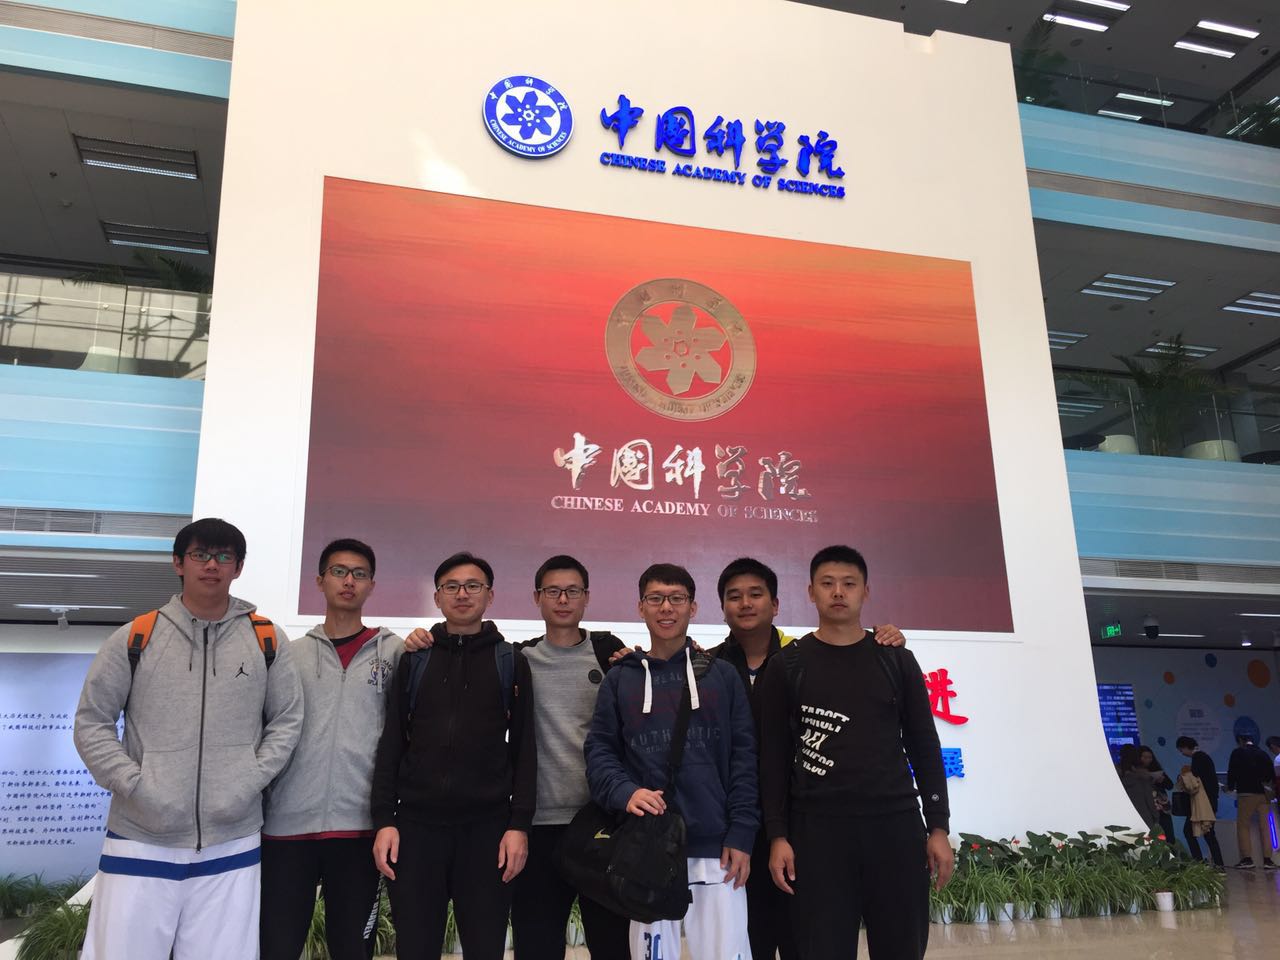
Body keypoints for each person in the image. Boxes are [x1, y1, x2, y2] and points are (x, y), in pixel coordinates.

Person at [74, 518, 304, 959]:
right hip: (141, 836)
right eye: (200, 555)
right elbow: (92, 722)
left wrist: (248, 780)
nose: (211, 565)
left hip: (232, 838)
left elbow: (287, 720)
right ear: (178, 563)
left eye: (224, 557)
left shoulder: (266, 639)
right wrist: (135, 785)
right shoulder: (136, 637)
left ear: (238, 567)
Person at [404, 555, 631, 960]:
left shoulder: (610, 656)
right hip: (536, 828)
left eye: (572, 591)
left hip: (599, 825)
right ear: (537, 598)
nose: (563, 599)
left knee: (611, 946)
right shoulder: (517, 659)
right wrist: (423, 638)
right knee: (535, 947)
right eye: (552, 591)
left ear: (587, 597)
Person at [757, 545, 951, 960]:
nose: (838, 592)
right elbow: (773, 760)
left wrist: (938, 826)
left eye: (849, 583)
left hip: (895, 827)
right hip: (817, 832)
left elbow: (924, 745)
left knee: (902, 948)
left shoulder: (896, 660)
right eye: (827, 583)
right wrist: (778, 835)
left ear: (866, 591)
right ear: (811, 592)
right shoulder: (787, 666)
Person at [706, 557, 905, 960]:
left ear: (776, 604)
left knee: (807, 938)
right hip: (733, 828)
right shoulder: (706, 668)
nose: (745, 603)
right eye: (734, 596)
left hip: (799, 827)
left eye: (756, 594)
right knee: (748, 940)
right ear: (722, 607)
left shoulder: (800, 660)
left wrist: (886, 637)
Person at [585, 563, 758, 960]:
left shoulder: (723, 677)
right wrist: (625, 791)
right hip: (646, 848)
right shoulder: (620, 679)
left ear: (692, 607)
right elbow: (600, 751)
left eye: (677, 599)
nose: (666, 608)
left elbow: (744, 758)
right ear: (640, 607)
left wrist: (742, 832)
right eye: (656, 599)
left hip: (717, 851)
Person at [371, 552, 536, 959]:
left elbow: (524, 748)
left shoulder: (510, 661)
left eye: (473, 586)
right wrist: (385, 820)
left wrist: (519, 825)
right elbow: (392, 742)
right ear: (438, 597)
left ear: (489, 595)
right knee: (415, 947)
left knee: (484, 948)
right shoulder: (415, 658)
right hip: (417, 830)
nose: (462, 594)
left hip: (487, 831)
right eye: (452, 587)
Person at [260, 539, 403, 960]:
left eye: (359, 574)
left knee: (352, 949)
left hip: (360, 829)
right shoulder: (289, 655)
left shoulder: (395, 652)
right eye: (339, 571)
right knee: (276, 947)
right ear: (320, 581)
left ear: (372, 585)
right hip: (287, 828)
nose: (348, 581)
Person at [1226, 733, 1278, 869]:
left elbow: (1232, 771)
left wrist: (1230, 787)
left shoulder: (1237, 753)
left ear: (1240, 741)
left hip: (1246, 794)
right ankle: (1268, 860)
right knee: (1265, 827)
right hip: (1263, 795)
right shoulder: (1263, 754)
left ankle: (1247, 859)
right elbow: (1271, 775)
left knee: (1243, 825)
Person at [1174, 736, 1223, 867]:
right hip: (1208, 802)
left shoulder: (1198, 758)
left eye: (1181, 750)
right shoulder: (1203, 757)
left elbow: (1194, 782)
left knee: (1198, 833)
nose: (1182, 753)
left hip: (1203, 804)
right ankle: (1216, 864)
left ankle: (1201, 862)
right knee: (1207, 834)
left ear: (1185, 747)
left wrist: (1183, 777)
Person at [1137, 745, 1175, 844]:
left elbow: (1170, 785)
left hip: (1162, 807)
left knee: (1168, 834)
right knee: (1152, 836)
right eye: (1145, 757)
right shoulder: (1135, 772)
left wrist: (1162, 781)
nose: (1148, 760)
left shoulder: (1157, 769)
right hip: (1147, 808)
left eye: (1150, 757)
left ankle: (1171, 851)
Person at [1116, 744, 1158, 830]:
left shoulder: (1116, 774)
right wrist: (1156, 816)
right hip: (1144, 817)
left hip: (1124, 817)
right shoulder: (1142, 775)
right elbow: (1149, 799)